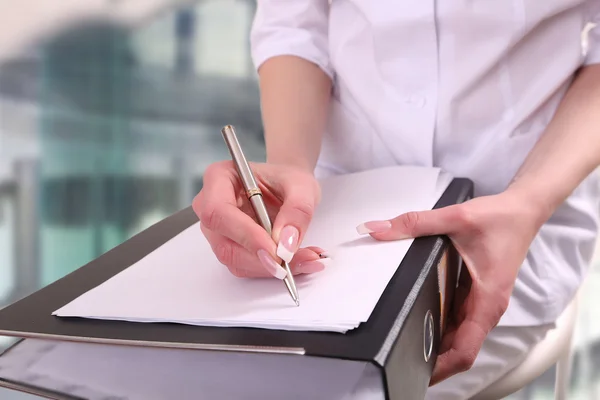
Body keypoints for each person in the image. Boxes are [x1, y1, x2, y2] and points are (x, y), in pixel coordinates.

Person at [193, 1, 600, 398]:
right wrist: (290, 166)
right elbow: (295, 21)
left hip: (520, 208)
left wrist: (527, 204)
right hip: (341, 195)